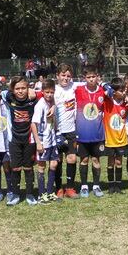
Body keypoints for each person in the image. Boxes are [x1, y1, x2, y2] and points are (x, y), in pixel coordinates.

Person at [3, 76, 39, 206]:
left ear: (28, 88)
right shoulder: (8, 97)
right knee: (16, 168)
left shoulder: (34, 99)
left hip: (29, 139)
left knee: (28, 168)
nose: (20, 91)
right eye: (17, 88)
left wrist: (34, 93)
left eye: (23, 88)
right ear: (13, 89)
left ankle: (30, 194)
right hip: (15, 139)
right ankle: (15, 194)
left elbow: (49, 94)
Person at [74, 65, 106, 198]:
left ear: (97, 77)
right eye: (89, 77)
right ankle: (84, 186)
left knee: (96, 160)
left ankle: (97, 186)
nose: (91, 79)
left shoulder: (102, 92)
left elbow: (116, 94)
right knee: (84, 160)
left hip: (97, 133)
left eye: (94, 76)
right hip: (82, 133)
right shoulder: (78, 90)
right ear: (84, 78)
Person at [53, 63, 81, 198]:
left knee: (72, 158)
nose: (66, 78)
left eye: (68, 76)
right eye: (63, 75)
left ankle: (70, 188)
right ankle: (58, 188)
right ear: (57, 76)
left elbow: (93, 83)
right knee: (57, 160)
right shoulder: (53, 89)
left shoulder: (74, 87)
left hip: (71, 131)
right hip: (56, 131)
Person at [31, 78, 59, 204]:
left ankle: (50, 192)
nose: (49, 94)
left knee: (53, 164)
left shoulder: (51, 102)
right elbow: (33, 124)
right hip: (43, 141)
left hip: (52, 140)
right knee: (41, 167)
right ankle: (41, 194)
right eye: (47, 92)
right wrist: (38, 142)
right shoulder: (40, 105)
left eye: (51, 92)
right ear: (42, 92)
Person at [102, 77, 128, 194]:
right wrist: (109, 89)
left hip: (121, 138)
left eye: (124, 90)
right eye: (121, 91)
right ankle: (110, 186)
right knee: (110, 162)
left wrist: (125, 97)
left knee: (119, 162)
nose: (124, 93)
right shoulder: (107, 101)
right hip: (110, 138)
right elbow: (102, 84)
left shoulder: (126, 103)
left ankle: (118, 186)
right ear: (114, 91)